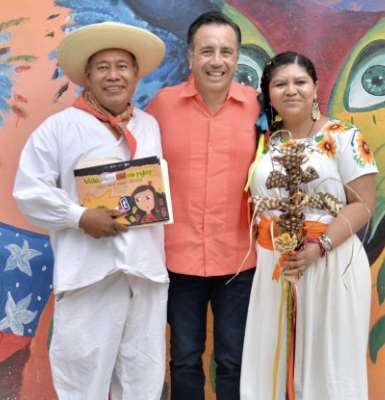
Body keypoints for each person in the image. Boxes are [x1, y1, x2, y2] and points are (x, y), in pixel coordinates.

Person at [12, 22, 167, 400]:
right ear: (87, 75)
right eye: (102, 67)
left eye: (122, 66)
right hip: (89, 277)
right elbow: (29, 191)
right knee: (82, 384)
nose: (113, 75)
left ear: (135, 74)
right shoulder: (59, 129)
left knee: (143, 381)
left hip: (144, 274)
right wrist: (79, 217)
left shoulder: (148, 126)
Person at [240, 51, 378, 399]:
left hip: (331, 264)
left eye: (300, 82)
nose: (291, 90)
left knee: (330, 367)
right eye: (280, 84)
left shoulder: (343, 136)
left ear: (316, 88)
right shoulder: (265, 142)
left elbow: (364, 205)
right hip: (276, 266)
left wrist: (321, 246)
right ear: (268, 94)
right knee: (271, 364)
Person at [145, 10, 260, 400]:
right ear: (191, 56)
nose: (217, 61)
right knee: (183, 359)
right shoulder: (162, 105)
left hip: (239, 260)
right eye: (207, 51)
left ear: (237, 57)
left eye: (226, 52)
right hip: (177, 258)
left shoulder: (260, 109)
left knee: (234, 361)